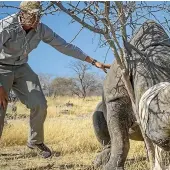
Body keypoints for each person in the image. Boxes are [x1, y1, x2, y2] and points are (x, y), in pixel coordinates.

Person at [0, 1, 110, 158]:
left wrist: (92, 61)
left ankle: (35, 142)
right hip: (1, 66)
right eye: (32, 15)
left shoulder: (41, 29)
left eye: (38, 16)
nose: (36, 19)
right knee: (1, 107)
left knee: (39, 103)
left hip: (21, 67)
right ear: (22, 13)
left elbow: (64, 46)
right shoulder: (6, 26)